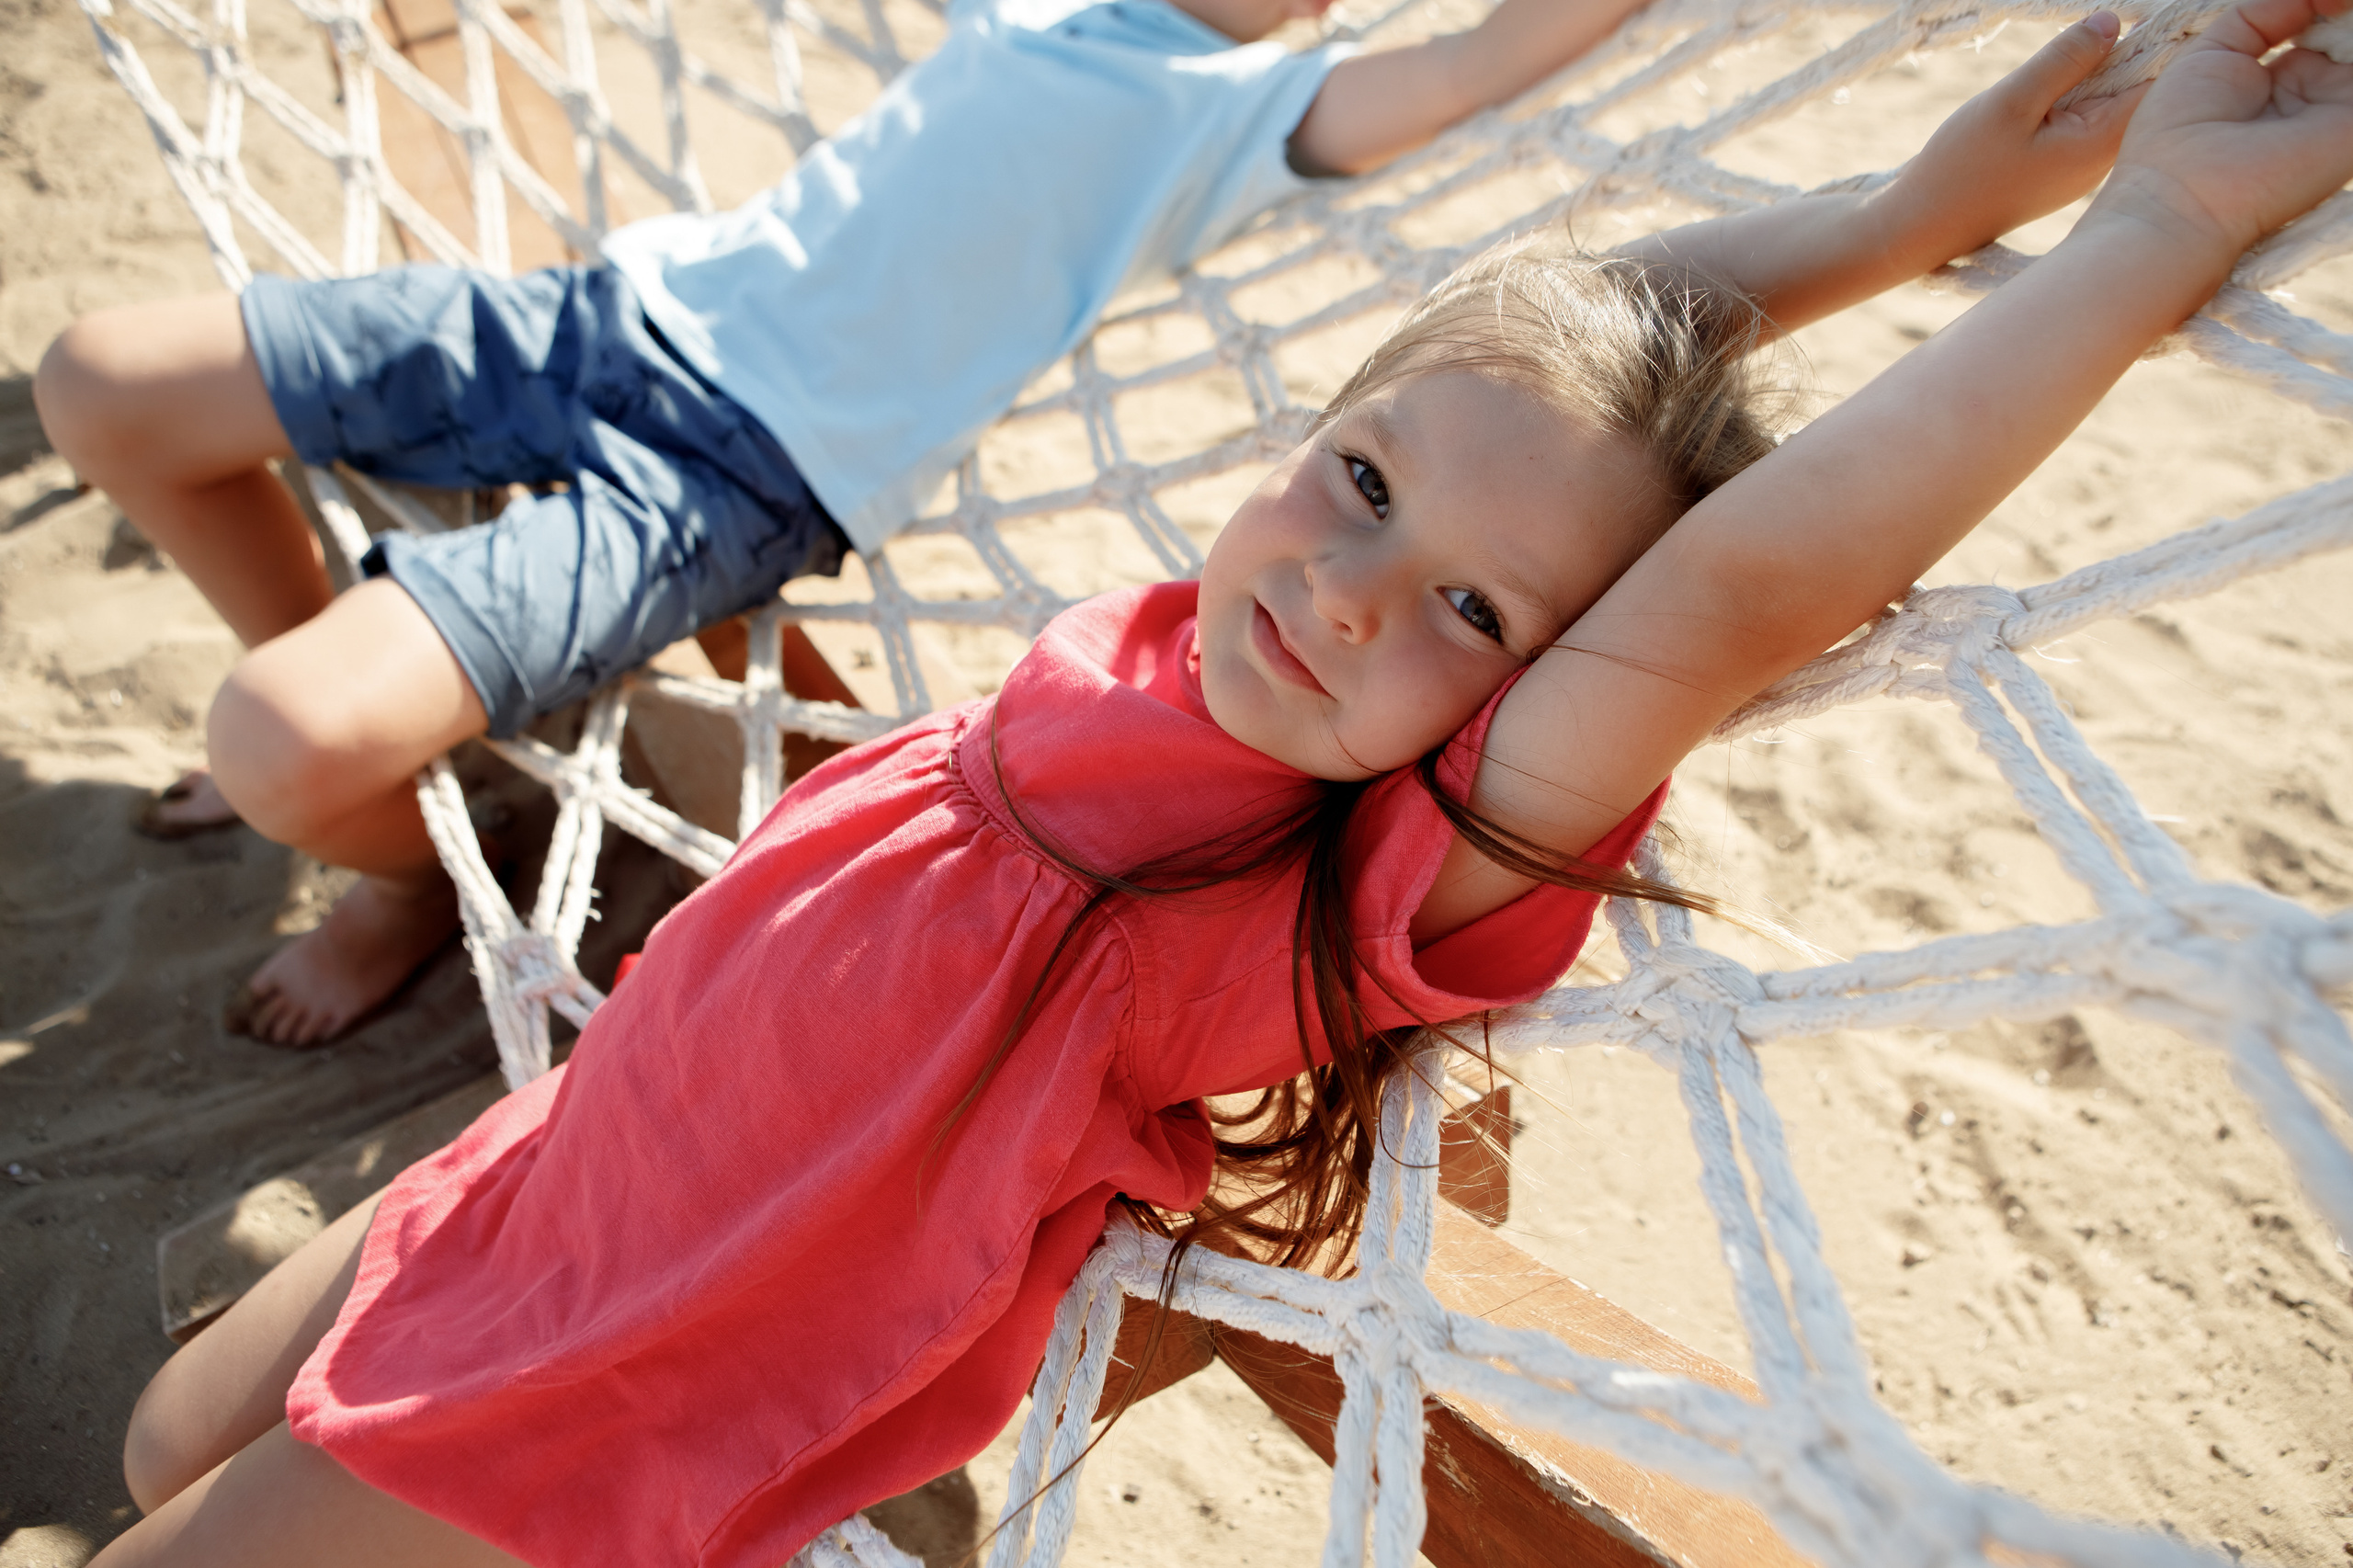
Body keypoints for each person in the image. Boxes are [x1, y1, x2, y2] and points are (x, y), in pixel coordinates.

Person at [84, 2, 2353, 1562]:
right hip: (567, 1150)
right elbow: (1517, 363)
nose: (1362, 595)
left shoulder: (1307, 873)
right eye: (1355, 481)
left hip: (628, 1360)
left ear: (1515, 701)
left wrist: (2141, 241)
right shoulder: (1229, 608)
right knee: (167, 1430)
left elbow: (1728, 589)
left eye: (1476, 618)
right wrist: (1887, 218)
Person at [31, 0, 1663, 1049]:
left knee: (279, 740)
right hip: (605, 314)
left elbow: (1467, 69)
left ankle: (402, 869)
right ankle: (389, 766)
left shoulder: (1247, 108)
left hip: (737, 471)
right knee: (104, 381)